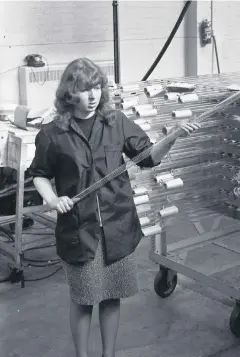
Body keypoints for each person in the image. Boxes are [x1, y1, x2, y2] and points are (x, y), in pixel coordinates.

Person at [28, 57, 200, 357]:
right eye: (84, 89)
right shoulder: (52, 133)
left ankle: (109, 354)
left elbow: (148, 157)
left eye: (97, 87)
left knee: (111, 296)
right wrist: (54, 200)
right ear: (70, 93)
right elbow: (40, 175)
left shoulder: (115, 121)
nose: (93, 95)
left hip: (116, 227)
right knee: (83, 300)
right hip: (79, 230)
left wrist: (171, 139)